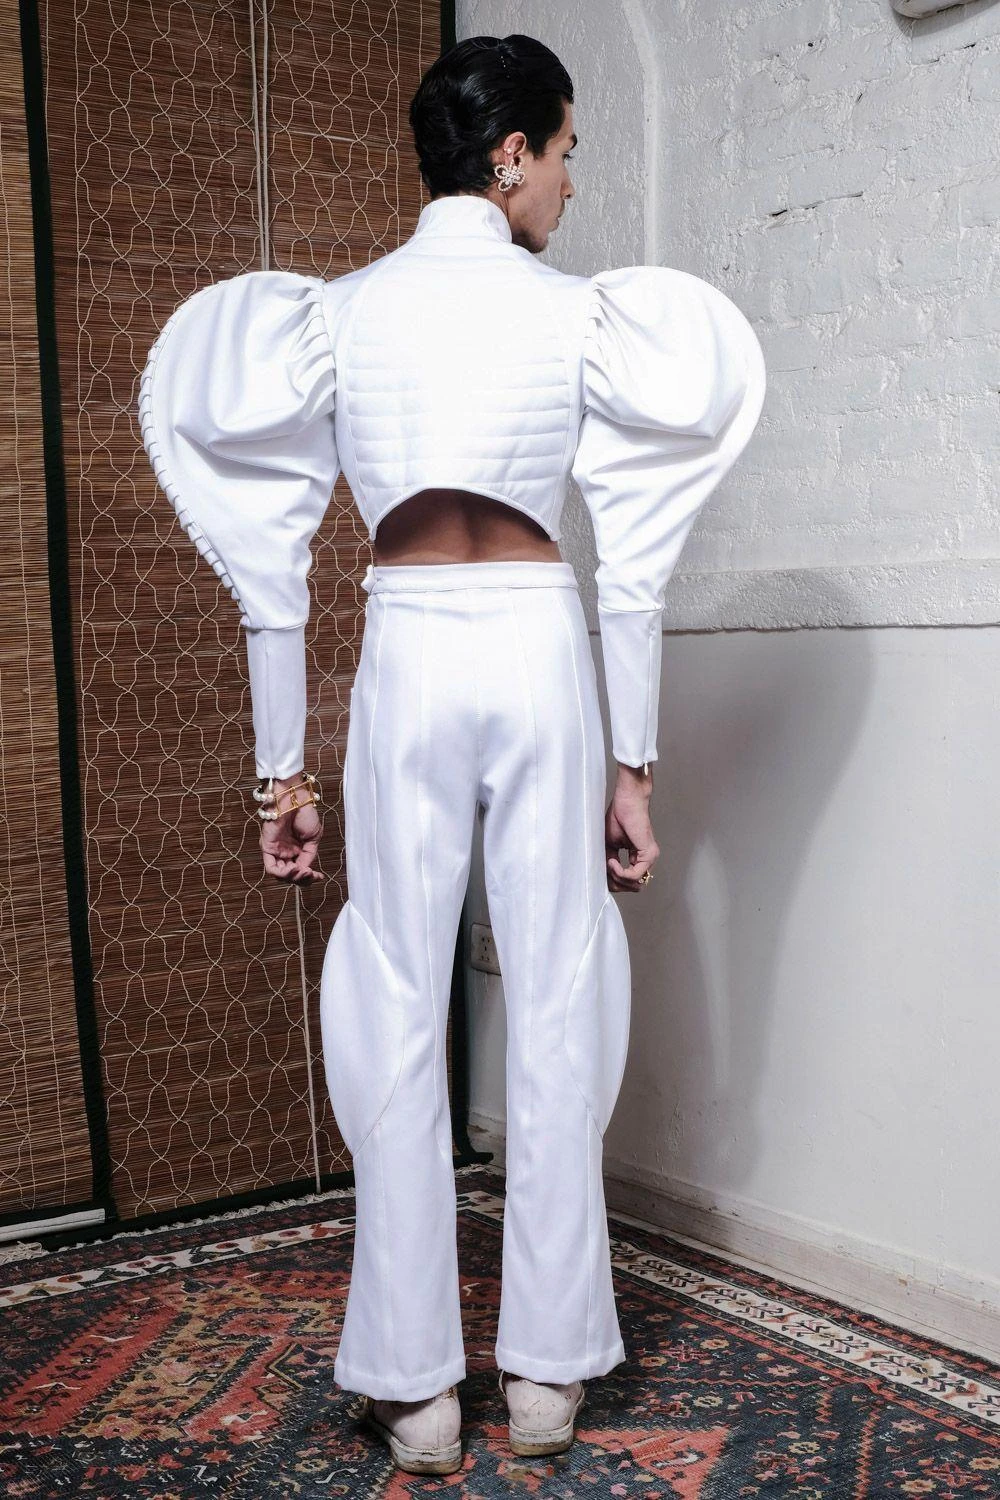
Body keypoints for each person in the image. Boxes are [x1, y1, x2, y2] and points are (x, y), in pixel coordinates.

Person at [139, 32, 765, 1477]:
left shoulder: (335, 317)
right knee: (557, 985)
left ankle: (415, 1389)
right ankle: (547, 1378)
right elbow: (630, 568)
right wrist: (633, 764)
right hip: (538, 649)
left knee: (395, 989)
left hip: (411, 651)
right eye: (564, 154)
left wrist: (282, 773)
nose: (569, 184)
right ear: (510, 153)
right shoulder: (580, 316)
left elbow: (275, 564)